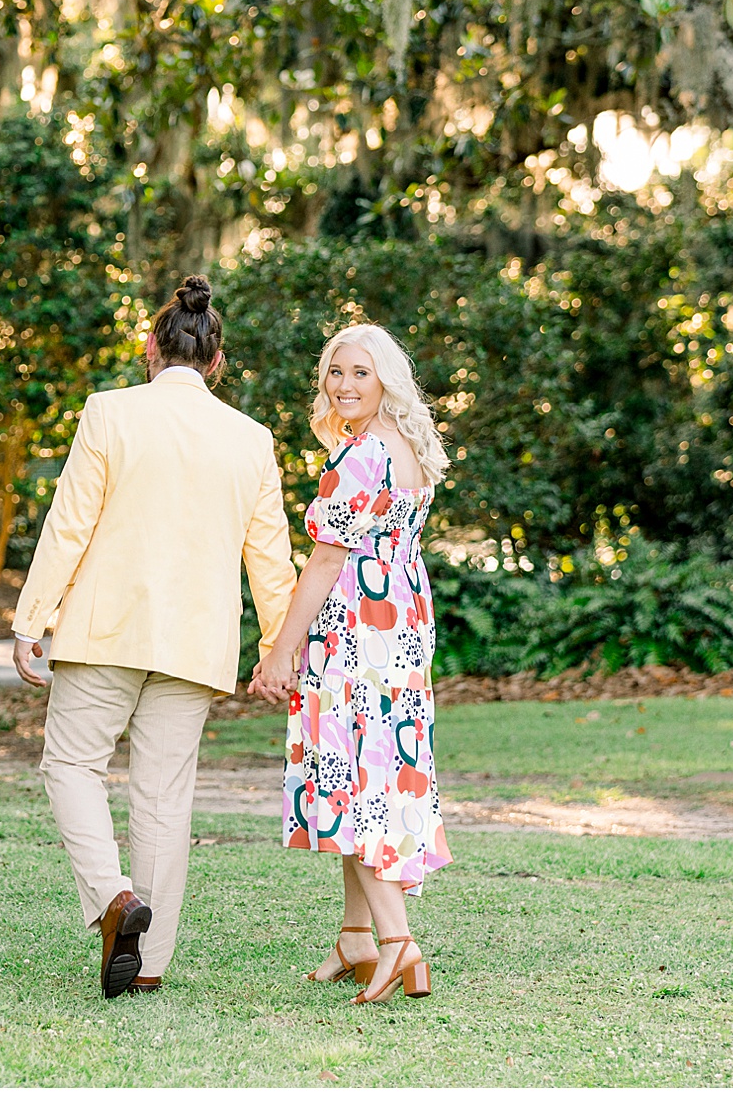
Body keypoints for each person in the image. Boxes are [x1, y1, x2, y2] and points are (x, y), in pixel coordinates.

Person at [11, 274, 295, 999]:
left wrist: (31, 616)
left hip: (104, 630)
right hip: (196, 643)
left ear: (150, 347)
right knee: (165, 797)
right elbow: (270, 559)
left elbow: (69, 522)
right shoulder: (252, 439)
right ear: (217, 360)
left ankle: (113, 895)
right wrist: (278, 647)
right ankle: (153, 958)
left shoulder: (109, 413)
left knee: (72, 764)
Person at [249, 322, 452, 1005]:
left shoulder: (364, 455)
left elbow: (328, 559)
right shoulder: (407, 447)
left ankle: (399, 943)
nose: (343, 385)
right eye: (335, 372)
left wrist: (280, 648)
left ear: (386, 379)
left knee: (356, 778)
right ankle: (356, 935)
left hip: (357, 631)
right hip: (399, 625)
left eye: (360, 372)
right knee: (373, 767)